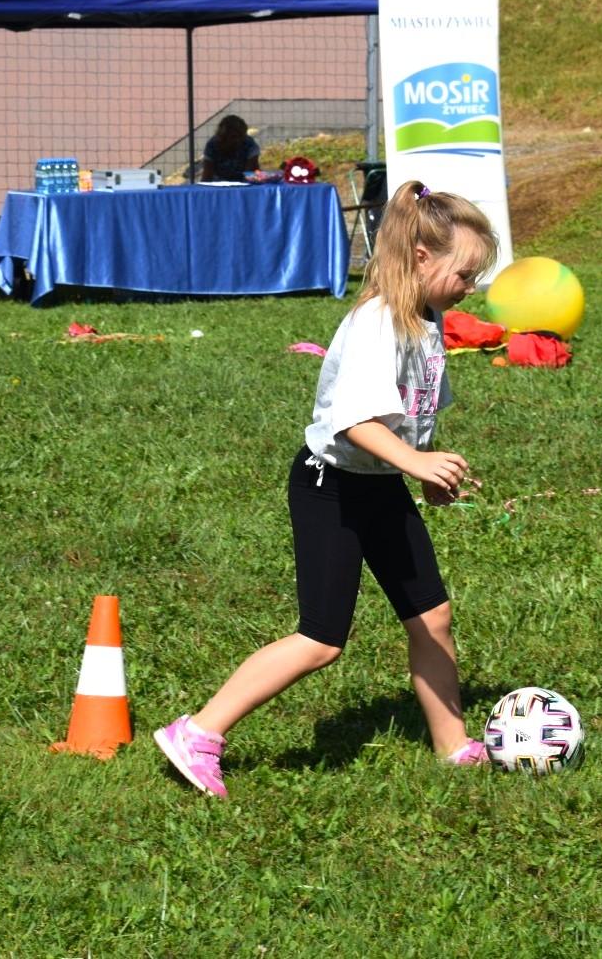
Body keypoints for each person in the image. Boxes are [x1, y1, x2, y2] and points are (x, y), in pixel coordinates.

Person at [154, 180, 500, 798]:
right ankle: (198, 732)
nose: (470, 287)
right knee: (320, 640)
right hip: (330, 488)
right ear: (422, 258)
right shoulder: (376, 323)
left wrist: (425, 473)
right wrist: (416, 465)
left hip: (379, 486)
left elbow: (408, 418)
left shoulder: (428, 320)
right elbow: (355, 422)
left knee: (432, 617)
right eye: (465, 273)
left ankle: (453, 748)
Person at [199, 114, 260, 181]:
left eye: (241, 136)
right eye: (233, 137)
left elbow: (250, 173)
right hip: (218, 184)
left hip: (243, 183)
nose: (237, 140)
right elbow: (207, 175)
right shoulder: (212, 145)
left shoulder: (249, 144)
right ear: (222, 136)